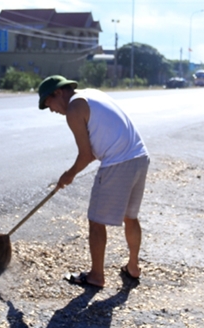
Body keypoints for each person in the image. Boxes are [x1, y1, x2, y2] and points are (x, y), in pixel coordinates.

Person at [38, 75, 150, 288]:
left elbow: (86, 155)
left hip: (118, 162)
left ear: (58, 93)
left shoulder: (73, 110)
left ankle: (96, 276)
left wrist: (68, 174)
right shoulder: (92, 94)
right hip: (140, 156)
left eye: (48, 103)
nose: (51, 109)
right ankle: (133, 267)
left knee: (96, 220)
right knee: (130, 217)